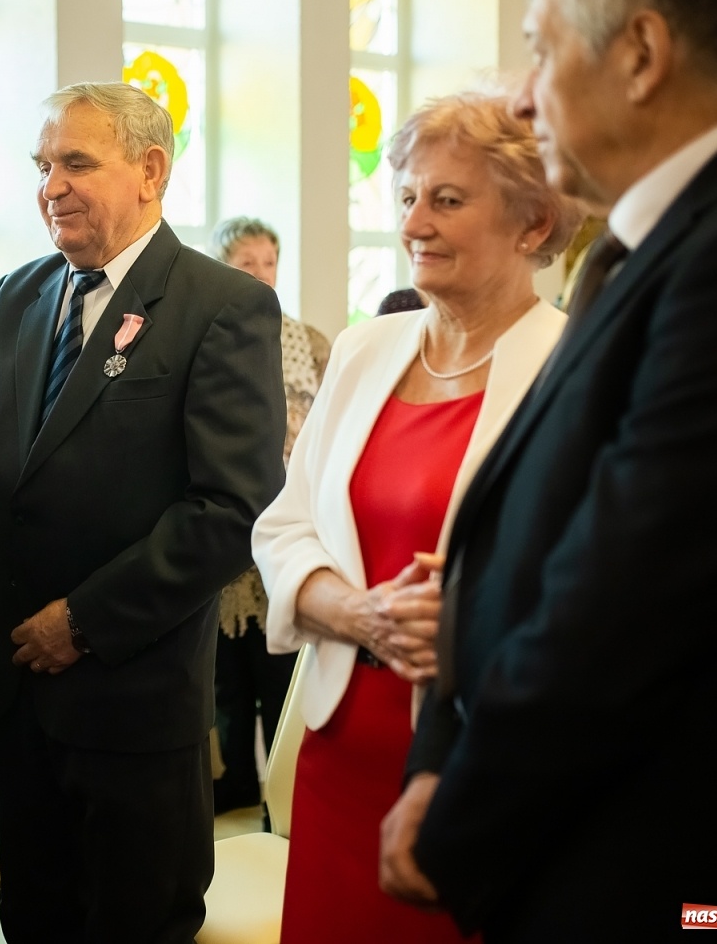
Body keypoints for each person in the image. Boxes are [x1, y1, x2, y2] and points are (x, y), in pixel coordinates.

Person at [380, 0, 717, 940]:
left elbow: (632, 587)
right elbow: (529, 525)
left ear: (639, 51)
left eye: (541, 51)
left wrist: (463, 806)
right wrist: (435, 752)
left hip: (687, 874)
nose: (524, 99)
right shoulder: (642, 246)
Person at [0, 82, 285, 943]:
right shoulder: (19, 293)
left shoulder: (221, 305)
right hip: (21, 691)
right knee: (36, 921)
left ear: (151, 171)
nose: (51, 184)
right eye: (43, 165)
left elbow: (228, 507)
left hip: (132, 701)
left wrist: (81, 624)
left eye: (76, 162)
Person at [253, 91, 577, 944]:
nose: (414, 224)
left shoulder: (573, 368)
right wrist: (357, 613)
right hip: (339, 762)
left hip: (480, 772)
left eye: (448, 200)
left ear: (534, 223)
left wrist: (473, 627)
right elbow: (284, 529)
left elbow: (600, 584)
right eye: (406, 197)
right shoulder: (366, 349)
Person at [207, 216, 328, 814]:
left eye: (268, 262)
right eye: (245, 263)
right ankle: (231, 789)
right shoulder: (207, 334)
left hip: (290, 532)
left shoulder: (312, 343)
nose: (259, 274)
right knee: (227, 682)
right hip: (226, 540)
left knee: (280, 679)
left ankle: (283, 800)